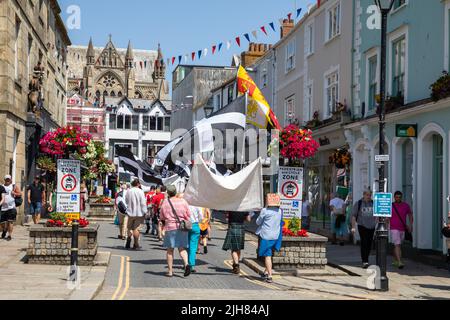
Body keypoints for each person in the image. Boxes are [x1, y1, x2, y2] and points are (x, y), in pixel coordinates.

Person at [159, 185, 191, 277]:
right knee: (182, 248)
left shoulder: (165, 202)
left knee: (170, 250)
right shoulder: (183, 201)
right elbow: (188, 215)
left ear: (168, 193)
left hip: (170, 227)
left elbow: (162, 216)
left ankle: (170, 271)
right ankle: (186, 264)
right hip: (181, 227)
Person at [256, 194, 283, 283]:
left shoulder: (265, 210)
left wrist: (265, 207)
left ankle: (270, 275)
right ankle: (265, 272)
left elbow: (258, 222)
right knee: (269, 253)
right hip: (275, 236)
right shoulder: (279, 211)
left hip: (266, 235)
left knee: (267, 256)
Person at [351, 190, 377, 269]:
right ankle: (364, 261)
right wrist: (353, 227)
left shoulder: (373, 203)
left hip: (371, 226)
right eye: (367, 195)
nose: (369, 197)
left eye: (370, 195)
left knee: (369, 243)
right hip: (362, 226)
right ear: (364, 195)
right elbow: (353, 216)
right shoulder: (358, 203)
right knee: (364, 242)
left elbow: (378, 214)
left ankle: (366, 258)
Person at [389, 191, 413, 269]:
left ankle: (395, 260)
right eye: (396, 197)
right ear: (394, 197)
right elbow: (387, 216)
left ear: (401, 197)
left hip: (402, 228)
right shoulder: (391, 206)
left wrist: (410, 225)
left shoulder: (405, 206)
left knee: (398, 245)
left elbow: (410, 214)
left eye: (399, 197)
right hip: (394, 228)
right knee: (397, 244)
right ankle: (399, 262)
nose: (398, 198)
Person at [124, 179, 147, 250]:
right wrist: (145, 212)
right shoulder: (140, 191)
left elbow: (126, 201)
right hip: (138, 213)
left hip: (130, 212)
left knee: (129, 228)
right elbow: (143, 203)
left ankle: (128, 238)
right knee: (136, 229)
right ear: (138, 184)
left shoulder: (129, 191)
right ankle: (136, 244)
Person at [1, 175, 22, 241]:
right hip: (3, 207)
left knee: (10, 221)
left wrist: (15, 193)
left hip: (11, 207)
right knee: (2, 223)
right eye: (6, 179)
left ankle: (9, 235)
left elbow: (20, 194)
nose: (8, 180)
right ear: (4, 180)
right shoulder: (2, 187)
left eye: (9, 179)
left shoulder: (13, 186)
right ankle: (4, 230)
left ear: (10, 180)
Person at [187, 204, 203, 273]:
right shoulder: (197, 205)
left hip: (186, 225)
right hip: (195, 225)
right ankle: (191, 265)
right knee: (193, 247)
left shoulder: (185, 204)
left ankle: (186, 263)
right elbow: (201, 218)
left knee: (186, 246)